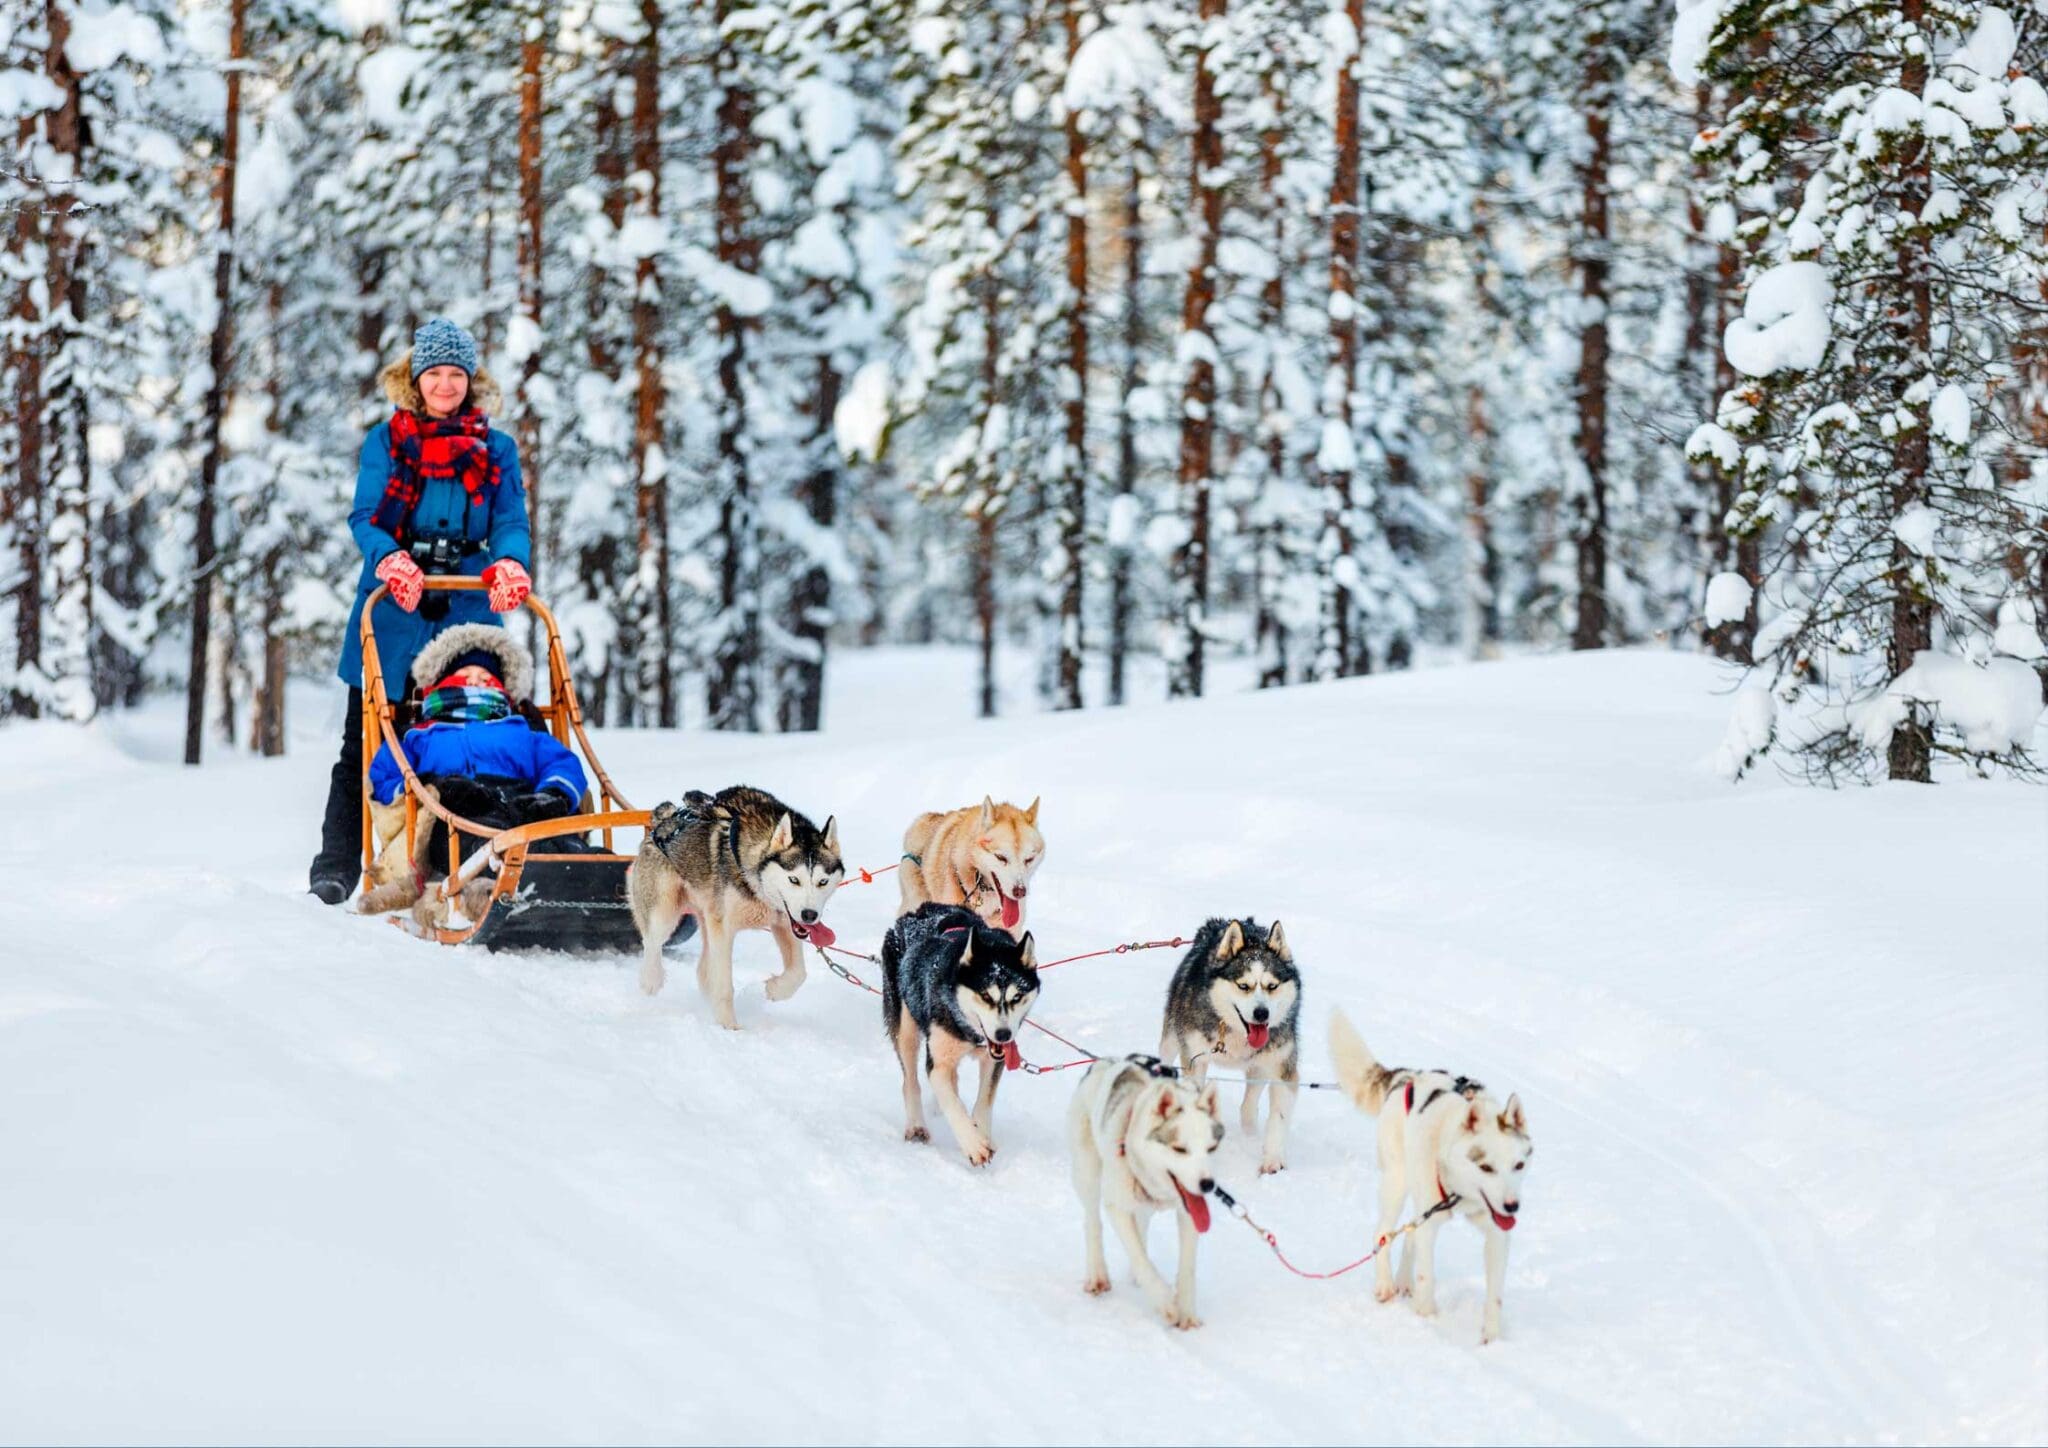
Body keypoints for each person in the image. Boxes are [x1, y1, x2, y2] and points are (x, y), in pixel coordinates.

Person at [308, 317, 534, 904]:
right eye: (434, 373)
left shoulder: (497, 448)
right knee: (368, 738)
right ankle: (337, 867)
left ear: (470, 379)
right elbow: (367, 518)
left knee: (476, 728)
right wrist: (392, 560)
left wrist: (509, 562)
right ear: (414, 379)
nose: (445, 385)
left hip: (467, 600)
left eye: (455, 374)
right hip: (394, 607)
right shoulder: (388, 441)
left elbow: (509, 520)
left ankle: (478, 853)